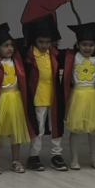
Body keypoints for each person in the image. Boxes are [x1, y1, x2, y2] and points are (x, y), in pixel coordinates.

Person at [0, 23, 34, 174]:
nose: (10, 48)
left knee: (16, 132)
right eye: (5, 46)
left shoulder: (17, 60)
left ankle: (16, 161)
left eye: (11, 45)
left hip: (15, 99)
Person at [59, 22, 95, 170]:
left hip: (93, 97)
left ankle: (94, 159)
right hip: (77, 96)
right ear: (77, 44)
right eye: (84, 44)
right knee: (75, 131)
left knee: (93, 131)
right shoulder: (72, 57)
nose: (87, 48)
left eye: (91, 45)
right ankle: (74, 159)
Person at [21, 15, 67, 171]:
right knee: (38, 128)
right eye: (41, 42)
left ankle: (56, 154)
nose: (44, 45)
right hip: (37, 98)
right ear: (34, 40)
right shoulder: (28, 56)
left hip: (53, 97)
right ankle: (33, 155)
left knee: (56, 126)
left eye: (47, 42)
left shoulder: (54, 54)